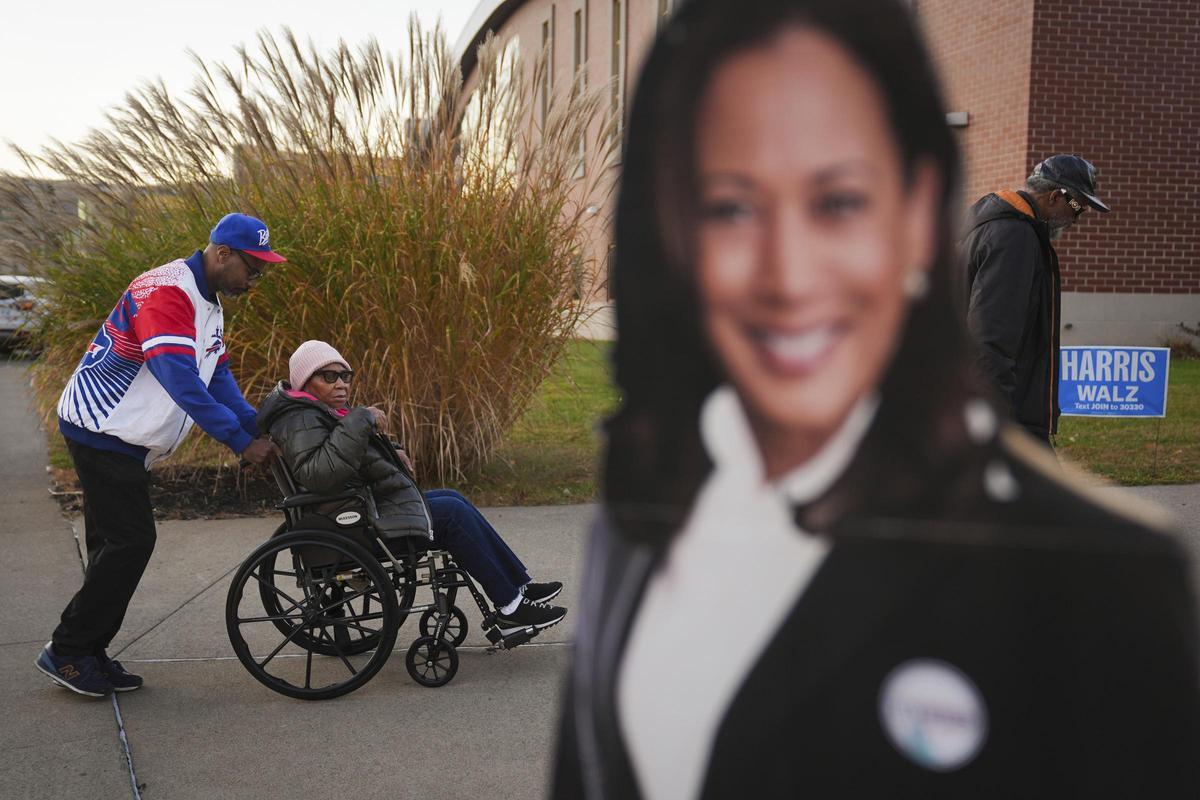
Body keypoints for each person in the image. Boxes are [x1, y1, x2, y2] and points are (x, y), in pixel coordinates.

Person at [551, 1, 1200, 797]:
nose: (786, 268)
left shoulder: (1105, 578)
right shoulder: (640, 524)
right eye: (730, 205)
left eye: (838, 201)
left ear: (917, 214)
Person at [38, 212, 284, 697]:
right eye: (252, 269)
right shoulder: (168, 291)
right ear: (222, 254)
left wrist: (255, 424)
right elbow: (180, 380)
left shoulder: (207, 297)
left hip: (120, 434)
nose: (256, 280)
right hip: (101, 428)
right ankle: (66, 651)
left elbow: (216, 375)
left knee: (112, 545)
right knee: (131, 541)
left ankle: (87, 650)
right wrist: (240, 442)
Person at [256, 340, 567, 635]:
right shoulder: (300, 419)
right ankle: (509, 607)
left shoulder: (316, 412)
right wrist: (361, 418)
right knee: (452, 514)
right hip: (354, 521)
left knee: (453, 497)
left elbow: (349, 452)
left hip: (363, 507)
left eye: (345, 375)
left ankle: (518, 586)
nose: (342, 384)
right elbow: (319, 474)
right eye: (329, 376)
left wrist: (392, 448)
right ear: (305, 382)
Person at [962, 154, 1111, 445]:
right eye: (1078, 206)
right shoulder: (1014, 237)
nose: (1077, 218)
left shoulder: (997, 227)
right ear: (1056, 195)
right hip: (1008, 411)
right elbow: (991, 334)